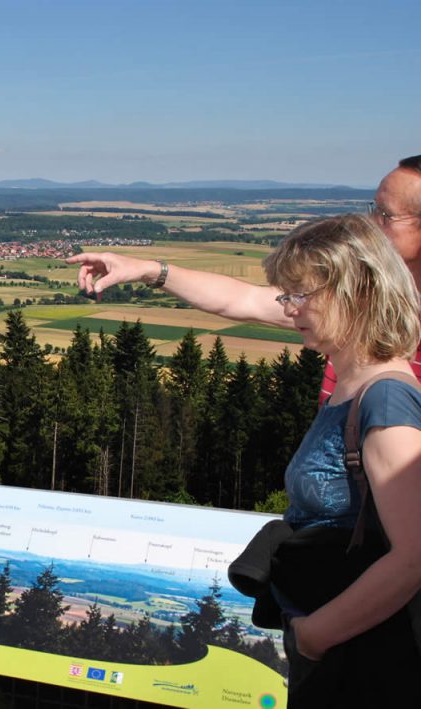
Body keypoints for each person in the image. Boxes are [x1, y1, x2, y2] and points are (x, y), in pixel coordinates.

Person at [66, 155, 421, 399]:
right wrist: (148, 270)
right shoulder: (355, 308)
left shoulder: (386, 385)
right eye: (372, 209)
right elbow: (242, 299)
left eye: (386, 215)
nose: (369, 224)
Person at [258, 215, 421, 706]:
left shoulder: (386, 400)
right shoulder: (351, 388)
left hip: (364, 659)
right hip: (344, 646)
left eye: (302, 294)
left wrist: (315, 636)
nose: (290, 309)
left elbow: (414, 556)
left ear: (359, 291)